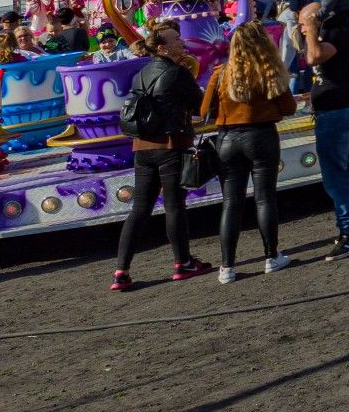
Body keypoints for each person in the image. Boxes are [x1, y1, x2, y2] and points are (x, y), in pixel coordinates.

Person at [110, 22, 208, 291]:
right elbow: (202, 107)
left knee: (139, 210)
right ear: (162, 47)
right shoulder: (178, 73)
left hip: (142, 147)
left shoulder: (141, 73)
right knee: (175, 206)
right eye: (176, 39)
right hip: (170, 144)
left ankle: (121, 272)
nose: (182, 42)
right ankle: (183, 263)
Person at [201, 22, 298, 281]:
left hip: (228, 138)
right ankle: (271, 257)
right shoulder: (268, 70)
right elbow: (289, 108)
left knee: (231, 204)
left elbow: (203, 113)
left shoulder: (221, 72)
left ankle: (226, 268)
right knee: (265, 199)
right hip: (261, 136)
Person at [300, 0, 349, 259]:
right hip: (338, 109)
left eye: (303, 24)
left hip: (336, 112)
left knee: (334, 175)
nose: (302, 29)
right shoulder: (339, 32)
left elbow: (313, 56)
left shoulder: (335, 33)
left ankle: (348, 231)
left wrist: (312, 28)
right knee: (343, 169)